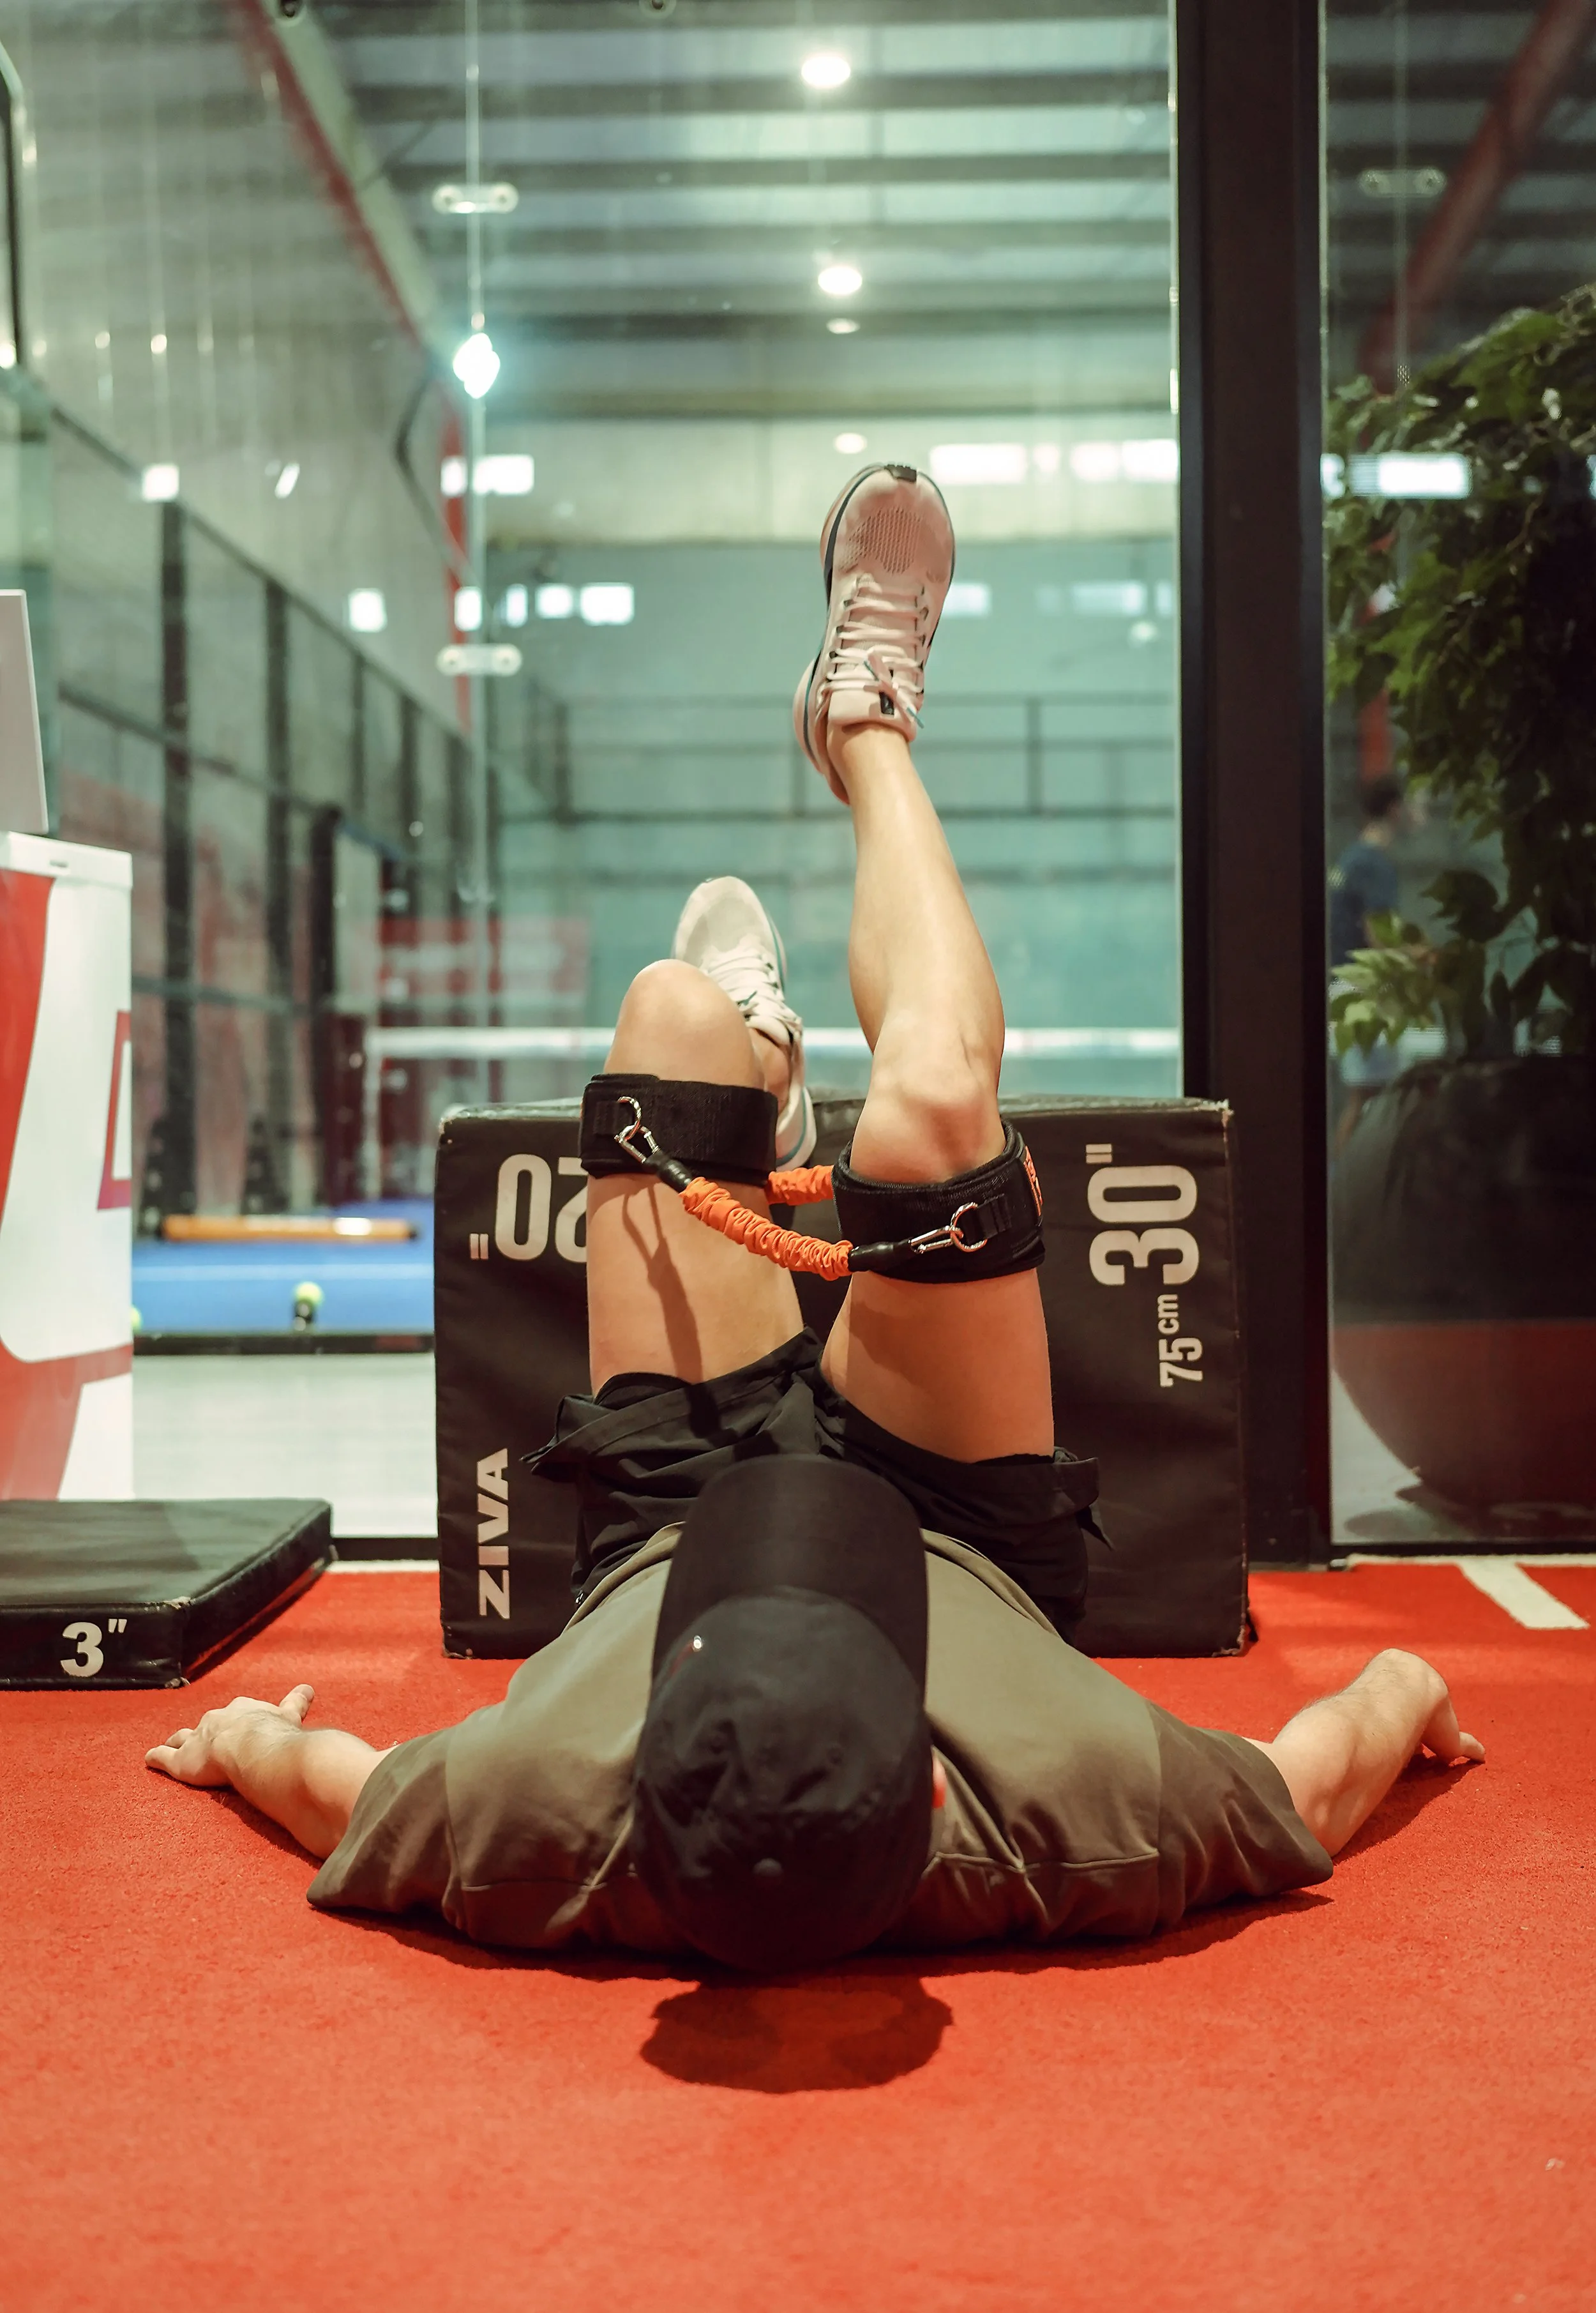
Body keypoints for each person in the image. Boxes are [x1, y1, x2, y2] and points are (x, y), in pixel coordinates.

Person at [146, 467, 1482, 1972]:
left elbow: (335, 1786)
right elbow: (1327, 1761)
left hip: (671, 1528)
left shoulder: (529, 1815)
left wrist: (250, 1730)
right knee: (925, 1107)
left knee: (663, 1014)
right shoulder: (1092, 1809)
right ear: (927, 1775)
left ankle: (762, 1079)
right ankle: (864, 729)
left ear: (638, 1769)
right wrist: (1409, 1679)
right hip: (954, 1521)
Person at [1329, 773, 1408, 1146]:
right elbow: (1379, 937)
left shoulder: (1351, 860)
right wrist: (1419, 958)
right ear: (1396, 809)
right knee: (1368, 1098)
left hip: (1347, 987)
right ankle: (1344, 1192)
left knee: (1365, 1097)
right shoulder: (1375, 866)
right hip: (1366, 991)